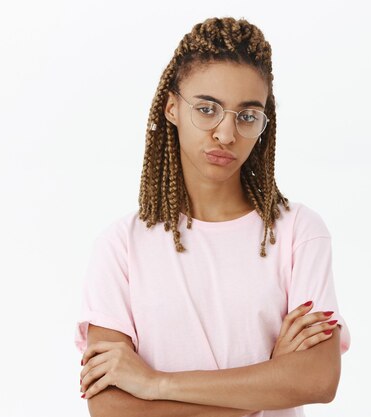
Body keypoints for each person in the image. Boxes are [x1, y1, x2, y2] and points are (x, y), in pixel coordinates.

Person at [74, 16, 351, 417]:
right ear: (171, 107)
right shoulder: (121, 247)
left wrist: (154, 384)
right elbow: (112, 408)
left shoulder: (297, 232)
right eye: (207, 109)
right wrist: (270, 382)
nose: (225, 134)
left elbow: (317, 380)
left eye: (247, 115)